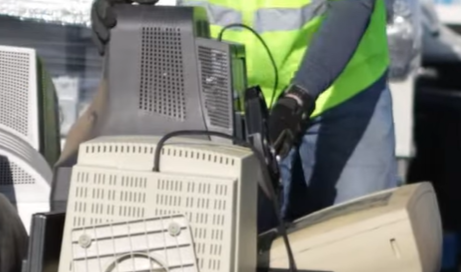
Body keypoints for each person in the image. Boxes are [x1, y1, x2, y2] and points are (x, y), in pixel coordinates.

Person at [91, 0, 396, 221]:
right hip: (231, 93)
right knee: (244, 250)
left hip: (344, 87)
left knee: (358, 238)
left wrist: (299, 97)